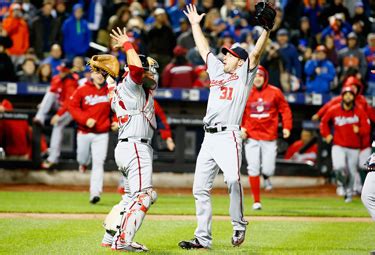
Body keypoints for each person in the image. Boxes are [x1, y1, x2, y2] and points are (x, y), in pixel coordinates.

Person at [178, 3, 274, 249]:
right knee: (199, 188)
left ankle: (239, 224)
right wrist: (195, 25)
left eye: (230, 55)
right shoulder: (218, 72)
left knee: (232, 180)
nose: (225, 56)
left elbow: (256, 55)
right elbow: (203, 49)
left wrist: (267, 30)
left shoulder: (244, 75)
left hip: (229, 134)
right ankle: (202, 238)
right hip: (208, 139)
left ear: (239, 62)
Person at [100, 27, 159, 252]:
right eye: (150, 70)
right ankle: (123, 240)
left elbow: (112, 86)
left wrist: (108, 78)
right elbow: (134, 68)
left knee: (129, 198)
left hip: (127, 146)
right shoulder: (132, 84)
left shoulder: (123, 87)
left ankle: (109, 235)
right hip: (135, 146)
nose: (153, 75)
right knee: (145, 195)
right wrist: (127, 44)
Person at [241, 65, 292, 210]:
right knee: (253, 168)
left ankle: (266, 176)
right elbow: (239, 112)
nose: (257, 78)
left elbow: (285, 110)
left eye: (260, 76)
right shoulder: (246, 92)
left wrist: (287, 127)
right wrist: (242, 127)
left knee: (269, 169)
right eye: (255, 76)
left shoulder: (275, 92)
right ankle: (256, 201)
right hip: (251, 136)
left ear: (265, 77)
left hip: (269, 137)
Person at [68, 57, 118, 204]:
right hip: (84, 132)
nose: (100, 76)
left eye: (102, 73)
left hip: (102, 133)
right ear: (91, 74)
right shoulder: (82, 89)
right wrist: (84, 119)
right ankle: (83, 163)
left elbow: (116, 108)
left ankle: (95, 193)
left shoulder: (110, 91)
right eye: (97, 73)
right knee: (82, 158)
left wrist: (115, 122)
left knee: (98, 163)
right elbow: (72, 107)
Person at [320, 85, 370, 203]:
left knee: (352, 171)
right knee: (338, 168)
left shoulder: (359, 111)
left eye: (350, 94)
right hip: (338, 145)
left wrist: (360, 130)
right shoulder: (335, 109)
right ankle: (343, 185)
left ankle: (348, 192)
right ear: (342, 96)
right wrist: (326, 134)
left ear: (354, 97)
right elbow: (324, 122)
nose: (348, 96)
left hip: (354, 147)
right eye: (346, 94)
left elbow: (367, 128)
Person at [34, 61, 78, 169]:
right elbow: (53, 93)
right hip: (59, 105)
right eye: (60, 70)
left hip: (71, 109)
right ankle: (40, 117)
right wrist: (44, 106)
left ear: (68, 71)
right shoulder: (56, 78)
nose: (61, 73)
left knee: (58, 125)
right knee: (50, 93)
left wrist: (58, 115)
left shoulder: (71, 82)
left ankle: (53, 158)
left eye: (63, 71)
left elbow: (69, 103)